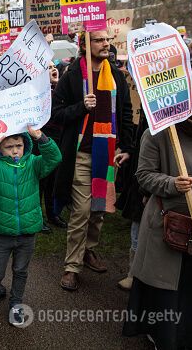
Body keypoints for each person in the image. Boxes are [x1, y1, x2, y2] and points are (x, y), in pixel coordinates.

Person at [123, 68, 192, 349]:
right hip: (169, 226)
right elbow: (143, 175)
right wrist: (172, 183)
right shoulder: (158, 133)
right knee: (169, 293)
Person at [53, 30, 133, 291]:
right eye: (99, 39)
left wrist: (126, 146)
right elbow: (56, 114)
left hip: (108, 154)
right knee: (81, 212)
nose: (105, 43)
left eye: (107, 39)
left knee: (99, 210)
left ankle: (88, 250)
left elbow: (125, 111)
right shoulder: (72, 76)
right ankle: (72, 266)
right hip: (81, 154)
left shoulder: (117, 76)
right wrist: (81, 107)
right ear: (85, 45)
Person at [0, 124, 61, 324]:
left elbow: (55, 158)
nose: (14, 150)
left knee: (20, 271)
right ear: (1, 149)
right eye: (9, 146)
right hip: (3, 233)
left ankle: (16, 303)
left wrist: (41, 137)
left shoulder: (34, 164)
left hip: (27, 232)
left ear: (25, 146)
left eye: (18, 146)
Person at [38, 62, 67, 233]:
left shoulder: (61, 92)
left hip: (58, 139)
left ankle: (52, 214)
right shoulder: (39, 93)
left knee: (53, 181)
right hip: (41, 141)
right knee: (41, 182)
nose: (53, 69)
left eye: (53, 66)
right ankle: (39, 218)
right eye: (48, 68)